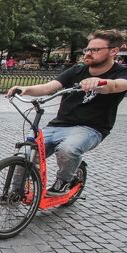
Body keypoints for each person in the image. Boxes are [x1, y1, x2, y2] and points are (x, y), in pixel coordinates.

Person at [7, 29, 127, 195]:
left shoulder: (121, 73)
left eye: (95, 50)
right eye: (87, 49)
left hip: (90, 129)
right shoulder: (77, 71)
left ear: (113, 51)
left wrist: (99, 82)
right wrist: (25, 89)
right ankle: (14, 193)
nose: (89, 53)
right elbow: (48, 87)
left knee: (68, 149)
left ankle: (64, 181)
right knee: (26, 153)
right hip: (59, 125)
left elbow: (115, 86)